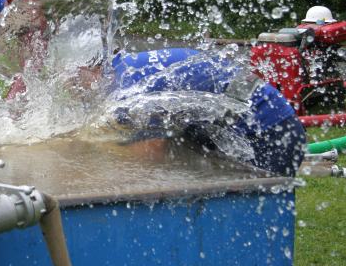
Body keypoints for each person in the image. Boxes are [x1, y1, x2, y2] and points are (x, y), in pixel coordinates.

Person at [111, 48, 306, 177]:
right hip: (262, 121)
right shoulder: (126, 65)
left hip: (270, 134)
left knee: (246, 217)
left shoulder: (128, 86)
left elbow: (150, 152)